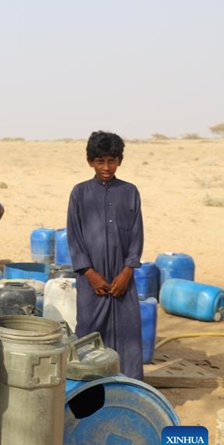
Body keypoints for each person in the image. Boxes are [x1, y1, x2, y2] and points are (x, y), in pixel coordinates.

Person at [66, 131, 144, 379]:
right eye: (100, 161)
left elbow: (136, 235)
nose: (106, 167)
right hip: (92, 280)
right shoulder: (79, 194)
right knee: (89, 334)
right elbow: (74, 237)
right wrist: (89, 273)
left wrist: (128, 270)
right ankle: (88, 390)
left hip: (123, 279)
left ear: (119, 160)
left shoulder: (130, 192)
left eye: (112, 160)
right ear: (90, 161)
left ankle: (130, 389)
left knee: (128, 336)